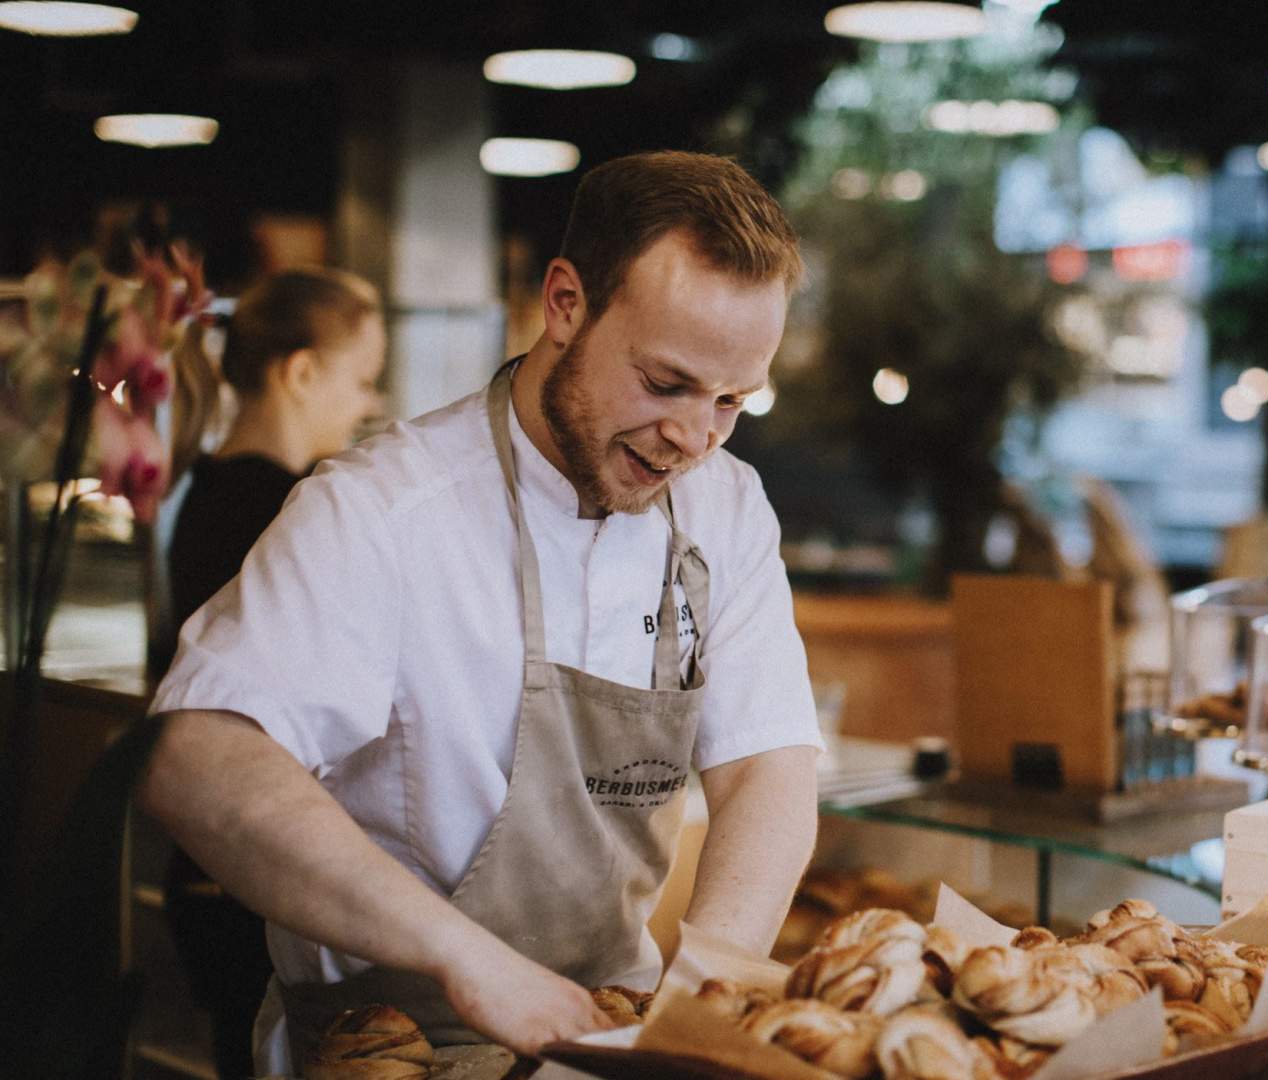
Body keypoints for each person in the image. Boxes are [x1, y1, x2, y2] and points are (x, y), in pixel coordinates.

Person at [136, 151, 822, 1071]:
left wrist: (697, 1002)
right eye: (665, 384)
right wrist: (466, 960)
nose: (695, 439)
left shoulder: (725, 512)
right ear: (566, 304)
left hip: (606, 1043)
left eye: (732, 401)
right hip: (385, 1046)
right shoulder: (381, 509)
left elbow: (766, 769)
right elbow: (196, 758)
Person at [156, 266, 387, 1080]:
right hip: (253, 874)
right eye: (361, 380)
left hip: (207, 873)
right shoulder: (286, 517)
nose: (365, 405)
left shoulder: (205, 490)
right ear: (299, 371)